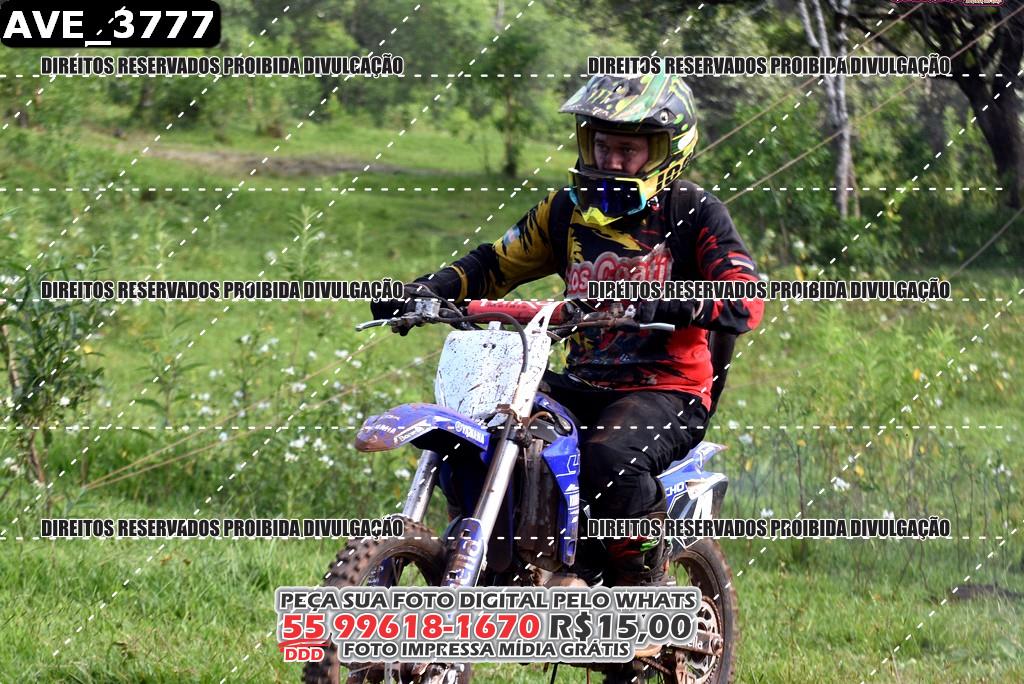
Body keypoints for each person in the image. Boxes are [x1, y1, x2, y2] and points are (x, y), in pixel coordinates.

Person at [371, 73, 763, 588]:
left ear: (667, 150)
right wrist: (427, 289)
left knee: (609, 456)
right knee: (489, 424)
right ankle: (499, 561)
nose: (611, 161)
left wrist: (671, 301)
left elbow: (746, 298)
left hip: (668, 390)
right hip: (583, 382)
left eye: (627, 150)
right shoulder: (564, 211)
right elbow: (494, 263)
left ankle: (643, 586)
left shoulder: (692, 211)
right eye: (602, 146)